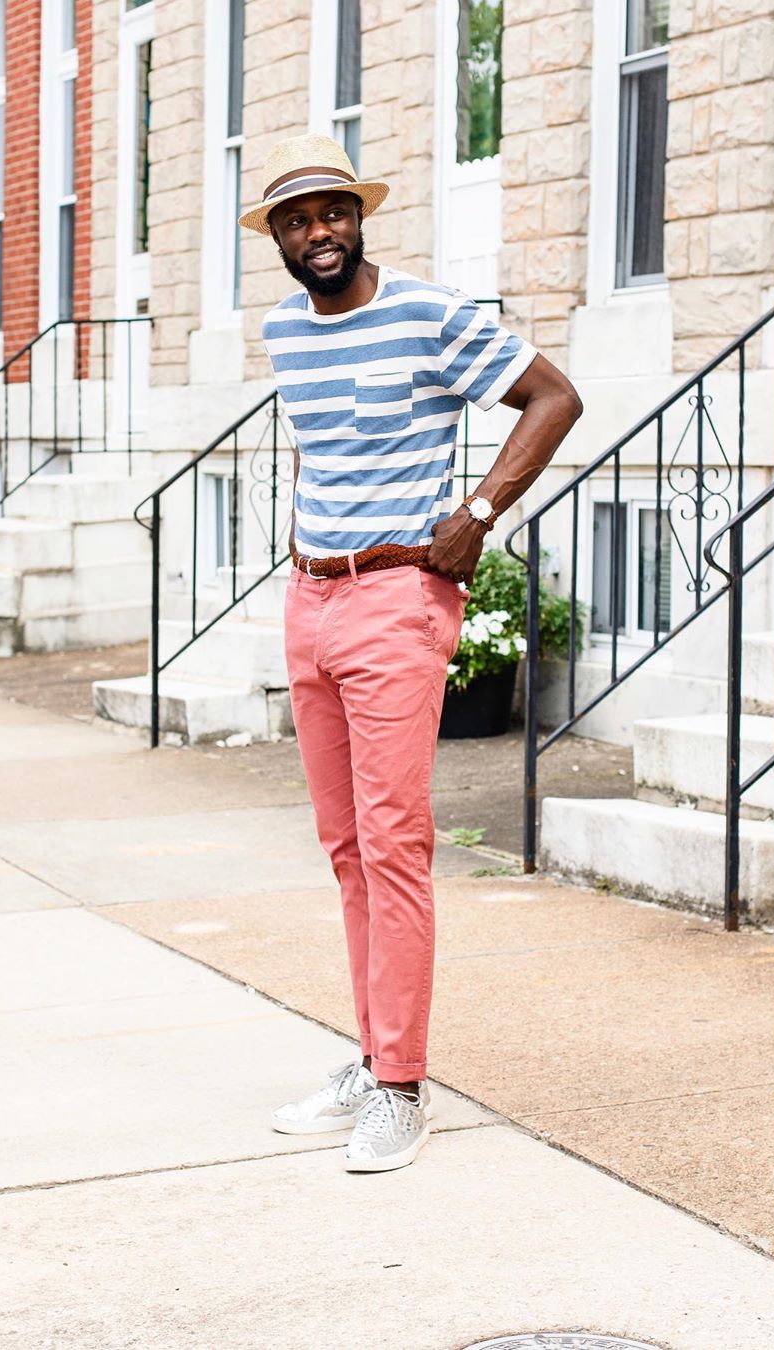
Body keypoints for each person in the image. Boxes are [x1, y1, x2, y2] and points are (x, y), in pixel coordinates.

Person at [239, 134, 582, 1173]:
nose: (319, 234)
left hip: (398, 595)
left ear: (359, 215)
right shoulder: (284, 333)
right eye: (298, 222)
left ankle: (401, 1087)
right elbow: (316, 441)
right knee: (345, 847)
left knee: (394, 844)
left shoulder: (431, 313)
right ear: (280, 242)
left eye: (333, 213)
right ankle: (372, 1051)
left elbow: (552, 398)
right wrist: (304, 546)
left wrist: (476, 512)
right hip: (312, 596)